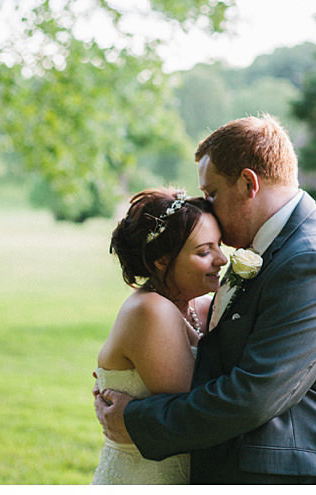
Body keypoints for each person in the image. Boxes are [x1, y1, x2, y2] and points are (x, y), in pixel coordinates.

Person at [96, 115, 316, 484]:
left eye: (211, 194)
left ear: (247, 183)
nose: (207, 207)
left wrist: (135, 419)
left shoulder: (311, 260)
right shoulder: (284, 248)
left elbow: (254, 394)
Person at [90, 188, 227, 484]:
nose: (222, 259)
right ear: (162, 261)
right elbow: (195, 412)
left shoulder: (199, 307)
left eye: (219, 245)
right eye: (204, 251)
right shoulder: (150, 311)